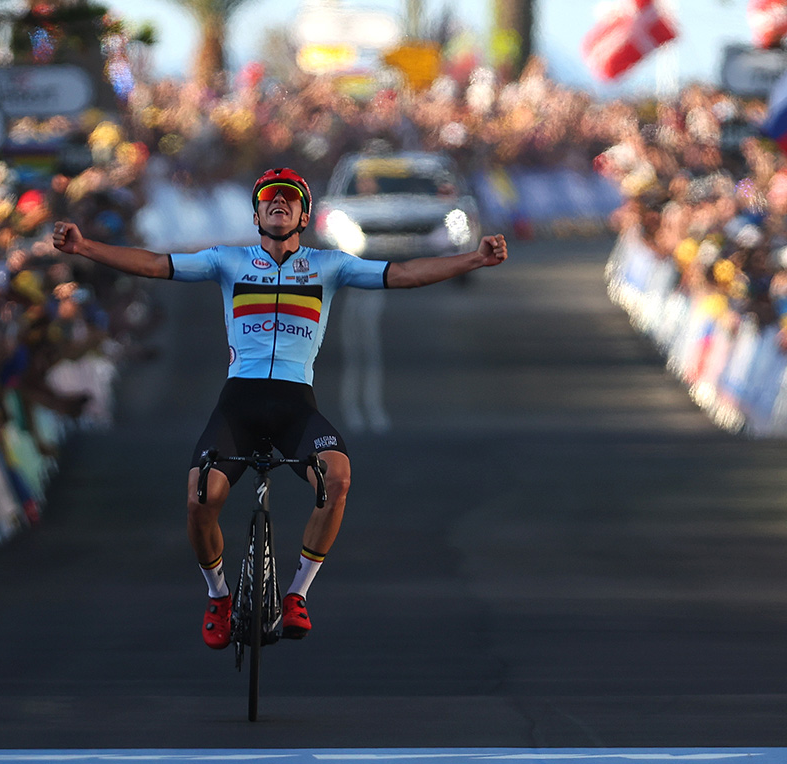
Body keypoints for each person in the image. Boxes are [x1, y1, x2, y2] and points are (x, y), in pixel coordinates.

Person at [52, 165, 508, 648]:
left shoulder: (331, 265)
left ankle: (296, 595)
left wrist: (471, 260)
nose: (279, 203)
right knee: (199, 499)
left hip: (295, 406)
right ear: (255, 214)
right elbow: (154, 264)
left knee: (339, 479)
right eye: (269, 197)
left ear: (304, 214)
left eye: (289, 199)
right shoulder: (227, 261)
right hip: (239, 404)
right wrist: (85, 248)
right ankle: (219, 596)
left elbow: (406, 275)